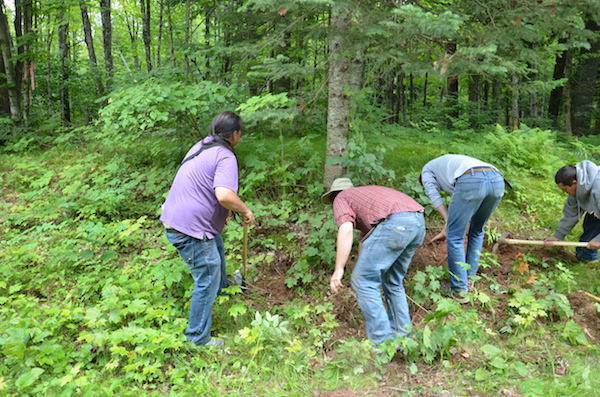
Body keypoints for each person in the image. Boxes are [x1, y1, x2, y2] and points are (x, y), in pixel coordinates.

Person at [160, 111, 255, 347]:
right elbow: (223, 194)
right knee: (207, 276)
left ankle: (224, 290)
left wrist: (225, 209)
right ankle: (197, 338)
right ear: (235, 134)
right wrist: (244, 210)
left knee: (217, 250)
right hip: (189, 229)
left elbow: (202, 184)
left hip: (180, 219)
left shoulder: (202, 146)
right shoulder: (224, 155)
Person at [322, 178, 425, 346]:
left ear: (334, 195)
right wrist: (362, 269)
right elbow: (367, 244)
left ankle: (383, 344)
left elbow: (346, 229)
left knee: (363, 282)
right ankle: (404, 339)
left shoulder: (342, 198)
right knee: (392, 281)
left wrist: (339, 269)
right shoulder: (367, 201)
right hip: (418, 222)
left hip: (395, 223)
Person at [420, 154, 505, 303]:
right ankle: (470, 280)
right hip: (497, 179)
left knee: (455, 236)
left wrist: (448, 222)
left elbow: (433, 195)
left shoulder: (426, 172)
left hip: (471, 179)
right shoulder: (446, 167)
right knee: (477, 231)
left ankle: (459, 290)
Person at [544, 162, 600, 262]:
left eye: (565, 189)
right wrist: (558, 236)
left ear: (575, 183)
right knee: (591, 223)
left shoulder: (598, 188)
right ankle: (586, 259)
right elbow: (571, 214)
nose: (563, 192)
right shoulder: (578, 188)